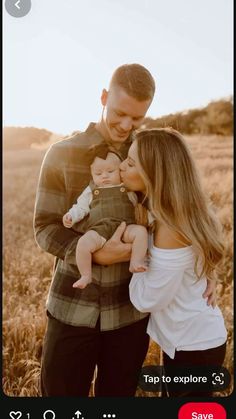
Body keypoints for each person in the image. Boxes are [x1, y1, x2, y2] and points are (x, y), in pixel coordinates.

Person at [34, 63, 215, 397]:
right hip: (71, 307)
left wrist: (203, 269)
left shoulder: (148, 154)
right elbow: (44, 227)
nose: (126, 125)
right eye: (119, 113)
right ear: (104, 97)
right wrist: (95, 254)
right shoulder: (61, 155)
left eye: (137, 119)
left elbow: (182, 209)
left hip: (130, 315)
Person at [119, 127, 227, 397]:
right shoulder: (170, 210)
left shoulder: (170, 228)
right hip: (190, 340)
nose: (122, 166)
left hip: (194, 348)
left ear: (154, 174)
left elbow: (148, 300)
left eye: (131, 162)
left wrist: (137, 255)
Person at [62, 145, 148, 289]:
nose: (104, 176)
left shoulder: (127, 188)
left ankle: (136, 261)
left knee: (141, 232)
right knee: (83, 243)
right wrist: (71, 216)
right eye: (98, 173)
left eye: (110, 171)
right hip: (100, 229)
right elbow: (81, 207)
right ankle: (85, 275)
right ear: (92, 174)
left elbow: (139, 206)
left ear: (120, 171)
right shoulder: (91, 191)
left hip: (125, 226)